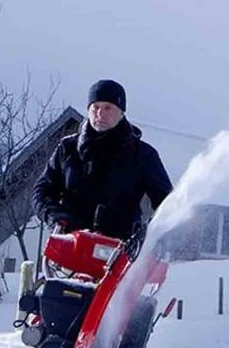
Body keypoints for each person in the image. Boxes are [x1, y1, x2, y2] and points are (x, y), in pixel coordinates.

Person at [33, 79, 173, 241]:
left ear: (121, 112)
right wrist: (55, 217)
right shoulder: (68, 148)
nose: (100, 113)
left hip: (120, 248)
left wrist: (147, 233)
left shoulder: (143, 155)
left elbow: (168, 203)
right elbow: (42, 191)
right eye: (96, 107)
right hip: (69, 243)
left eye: (108, 108)